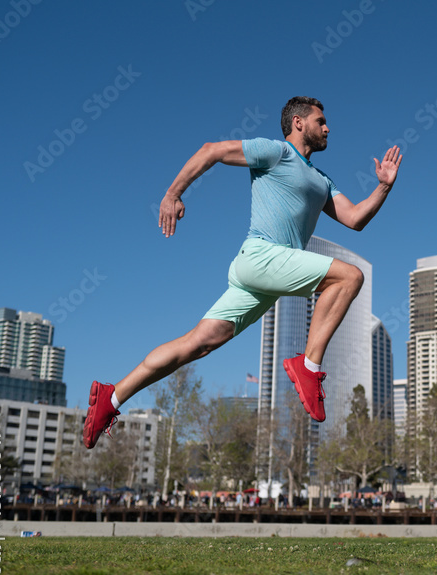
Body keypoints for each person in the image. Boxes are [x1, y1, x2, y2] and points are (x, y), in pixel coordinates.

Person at [82, 96, 401, 448]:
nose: (328, 128)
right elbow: (211, 151)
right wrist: (173, 194)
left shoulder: (322, 180)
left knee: (198, 344)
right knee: (350, 276)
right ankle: (308, 367)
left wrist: (384, 186)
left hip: (265, 277)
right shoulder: (276, 152)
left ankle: (111, 398)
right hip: (262, 256)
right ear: (298, 122)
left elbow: (354, 219)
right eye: (320, 121)